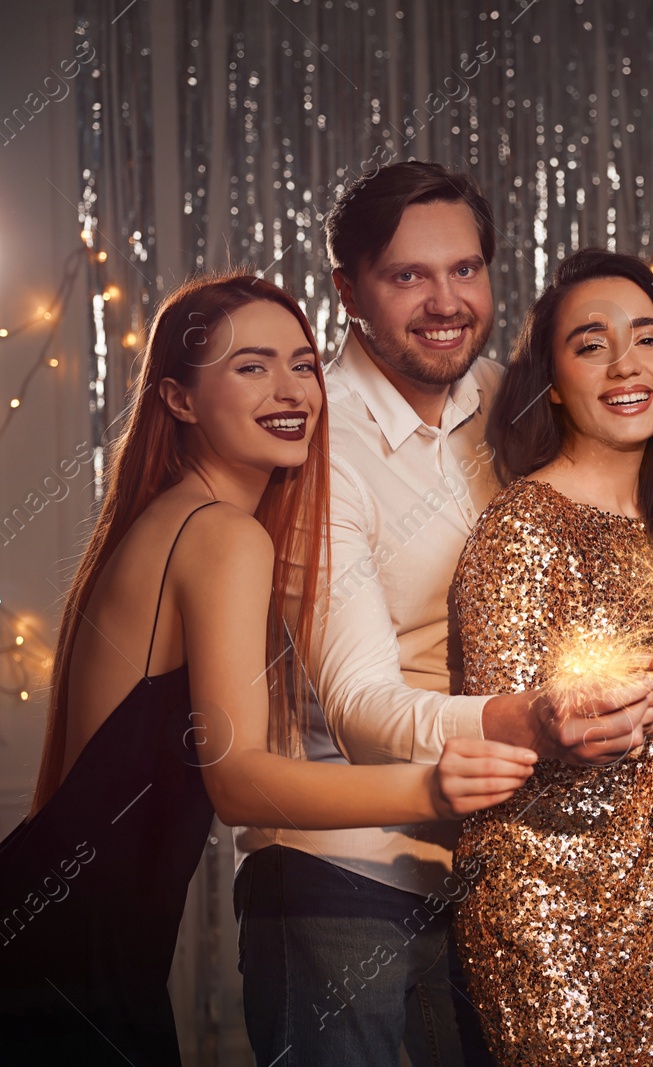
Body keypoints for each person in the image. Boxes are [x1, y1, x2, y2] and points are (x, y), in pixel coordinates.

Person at [0, 272, 534, 1065]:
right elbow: (238, 779)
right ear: (179, 400)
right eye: (250, 366)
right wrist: (431, 785)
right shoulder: (222, 534)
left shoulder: (174, 514)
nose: (291, 390)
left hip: (78, 941)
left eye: (303, 363)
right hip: (73, 962)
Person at [233, 162, 653, 1066]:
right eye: (409, 276)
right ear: (347, 290)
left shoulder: (517, 405)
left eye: (465, 270)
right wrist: (532, 723)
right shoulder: (317, 441)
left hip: (492, 861)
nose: (445, 302)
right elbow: (359, 705)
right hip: (338, 870)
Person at [447, 249, 653, 1065]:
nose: (625, 364)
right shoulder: (523, 525)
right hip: (545, 900)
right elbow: (502, 739)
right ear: (552, 380)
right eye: (590, 344)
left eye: (647, 337)